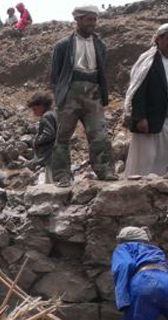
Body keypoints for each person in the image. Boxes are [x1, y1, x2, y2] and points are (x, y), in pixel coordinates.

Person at [49, 5, 116, 185]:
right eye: (88, 19)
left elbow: (102, 71)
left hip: (93, 93)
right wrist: (60, 96)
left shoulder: (100, 45)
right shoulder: (63, 45)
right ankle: (62, 176)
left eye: (94, 20)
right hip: (70, 93)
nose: (92, 23)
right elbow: (55, 75)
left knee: (99, 135)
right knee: (62, 136)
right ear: (78, 20)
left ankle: (105, 170)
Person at [124, 23, 168, 178]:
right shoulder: (147, 61)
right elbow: (138, 89)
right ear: (158, 39)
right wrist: (140, 117)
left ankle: (165, 186)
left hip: (166, 117)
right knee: (145, 158)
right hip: (149, 118)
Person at [26, 92, 58, 184]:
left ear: (41, 106)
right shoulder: (54, 113)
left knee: (52, 183)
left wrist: (37, 141)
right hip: (58, 153)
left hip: (52, 155)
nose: (34, 112)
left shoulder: (47, 116)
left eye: (34, 109)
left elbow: (49, 134)